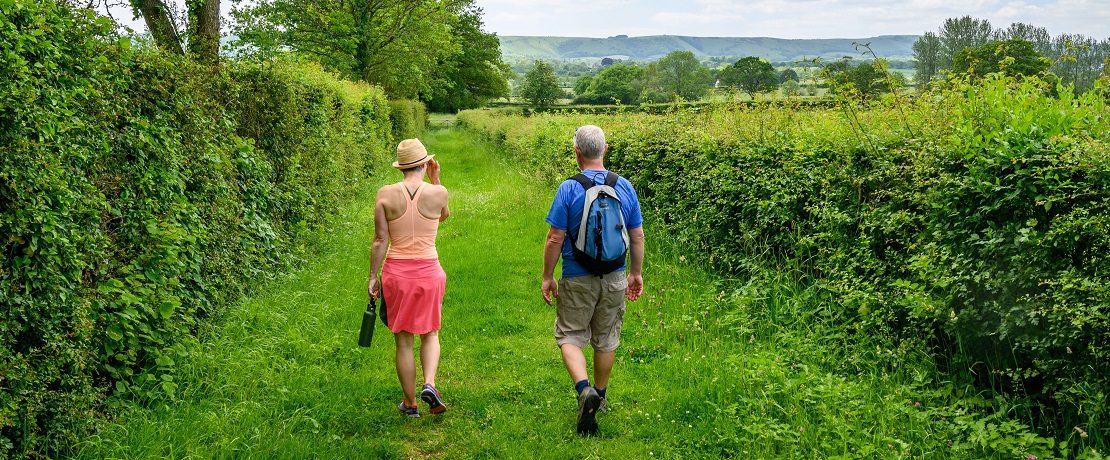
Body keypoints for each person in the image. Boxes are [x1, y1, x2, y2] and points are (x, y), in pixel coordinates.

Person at [541, 125, 645, 435]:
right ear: (606, 149)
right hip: (614, 276)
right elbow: (637, 234)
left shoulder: (569, 188)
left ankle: (583, 388)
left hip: (577, 276)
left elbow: (554, 237)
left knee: (570, 335)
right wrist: (635, 274)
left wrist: (548, 275)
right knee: (606, 337)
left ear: (577, 152)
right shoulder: (624, 186)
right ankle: (599, 395)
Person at [367, 138, 450, 418]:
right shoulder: (440, 193)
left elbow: (380, 240)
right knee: (430, 333)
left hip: (397, 273)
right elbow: (442, 217)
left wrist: (372, 277)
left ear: (400, 167)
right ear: (426, 163)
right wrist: (436, 180)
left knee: (403, 341)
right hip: (430, 271)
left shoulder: (385, 194)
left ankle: (411, 403)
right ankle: (430, 384)